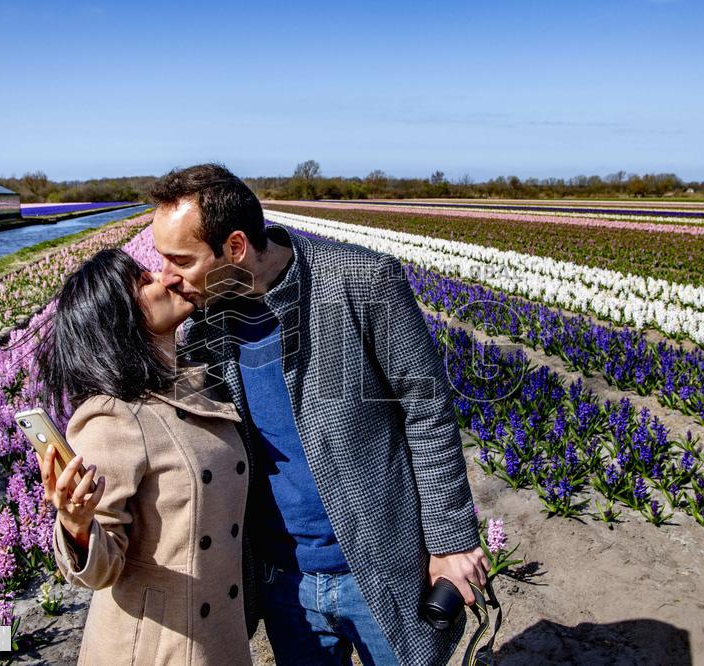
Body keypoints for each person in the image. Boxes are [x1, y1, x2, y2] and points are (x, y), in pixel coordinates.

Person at [149, 164, 488, 665]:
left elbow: (428, 410)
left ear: (235, 247)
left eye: (180, 259)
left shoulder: (361, 281)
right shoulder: (202, 329)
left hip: (382, 564)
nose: (167, 277)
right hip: (285, 583)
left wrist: (450, 542)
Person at [34, 248, 253, 665]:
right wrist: (76, 524)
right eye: (144, 282)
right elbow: (101, 571)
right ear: (121, 320)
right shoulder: (112, 417)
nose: (165, 277)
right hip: (161, 646)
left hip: (219, 631)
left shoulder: (197, 384)